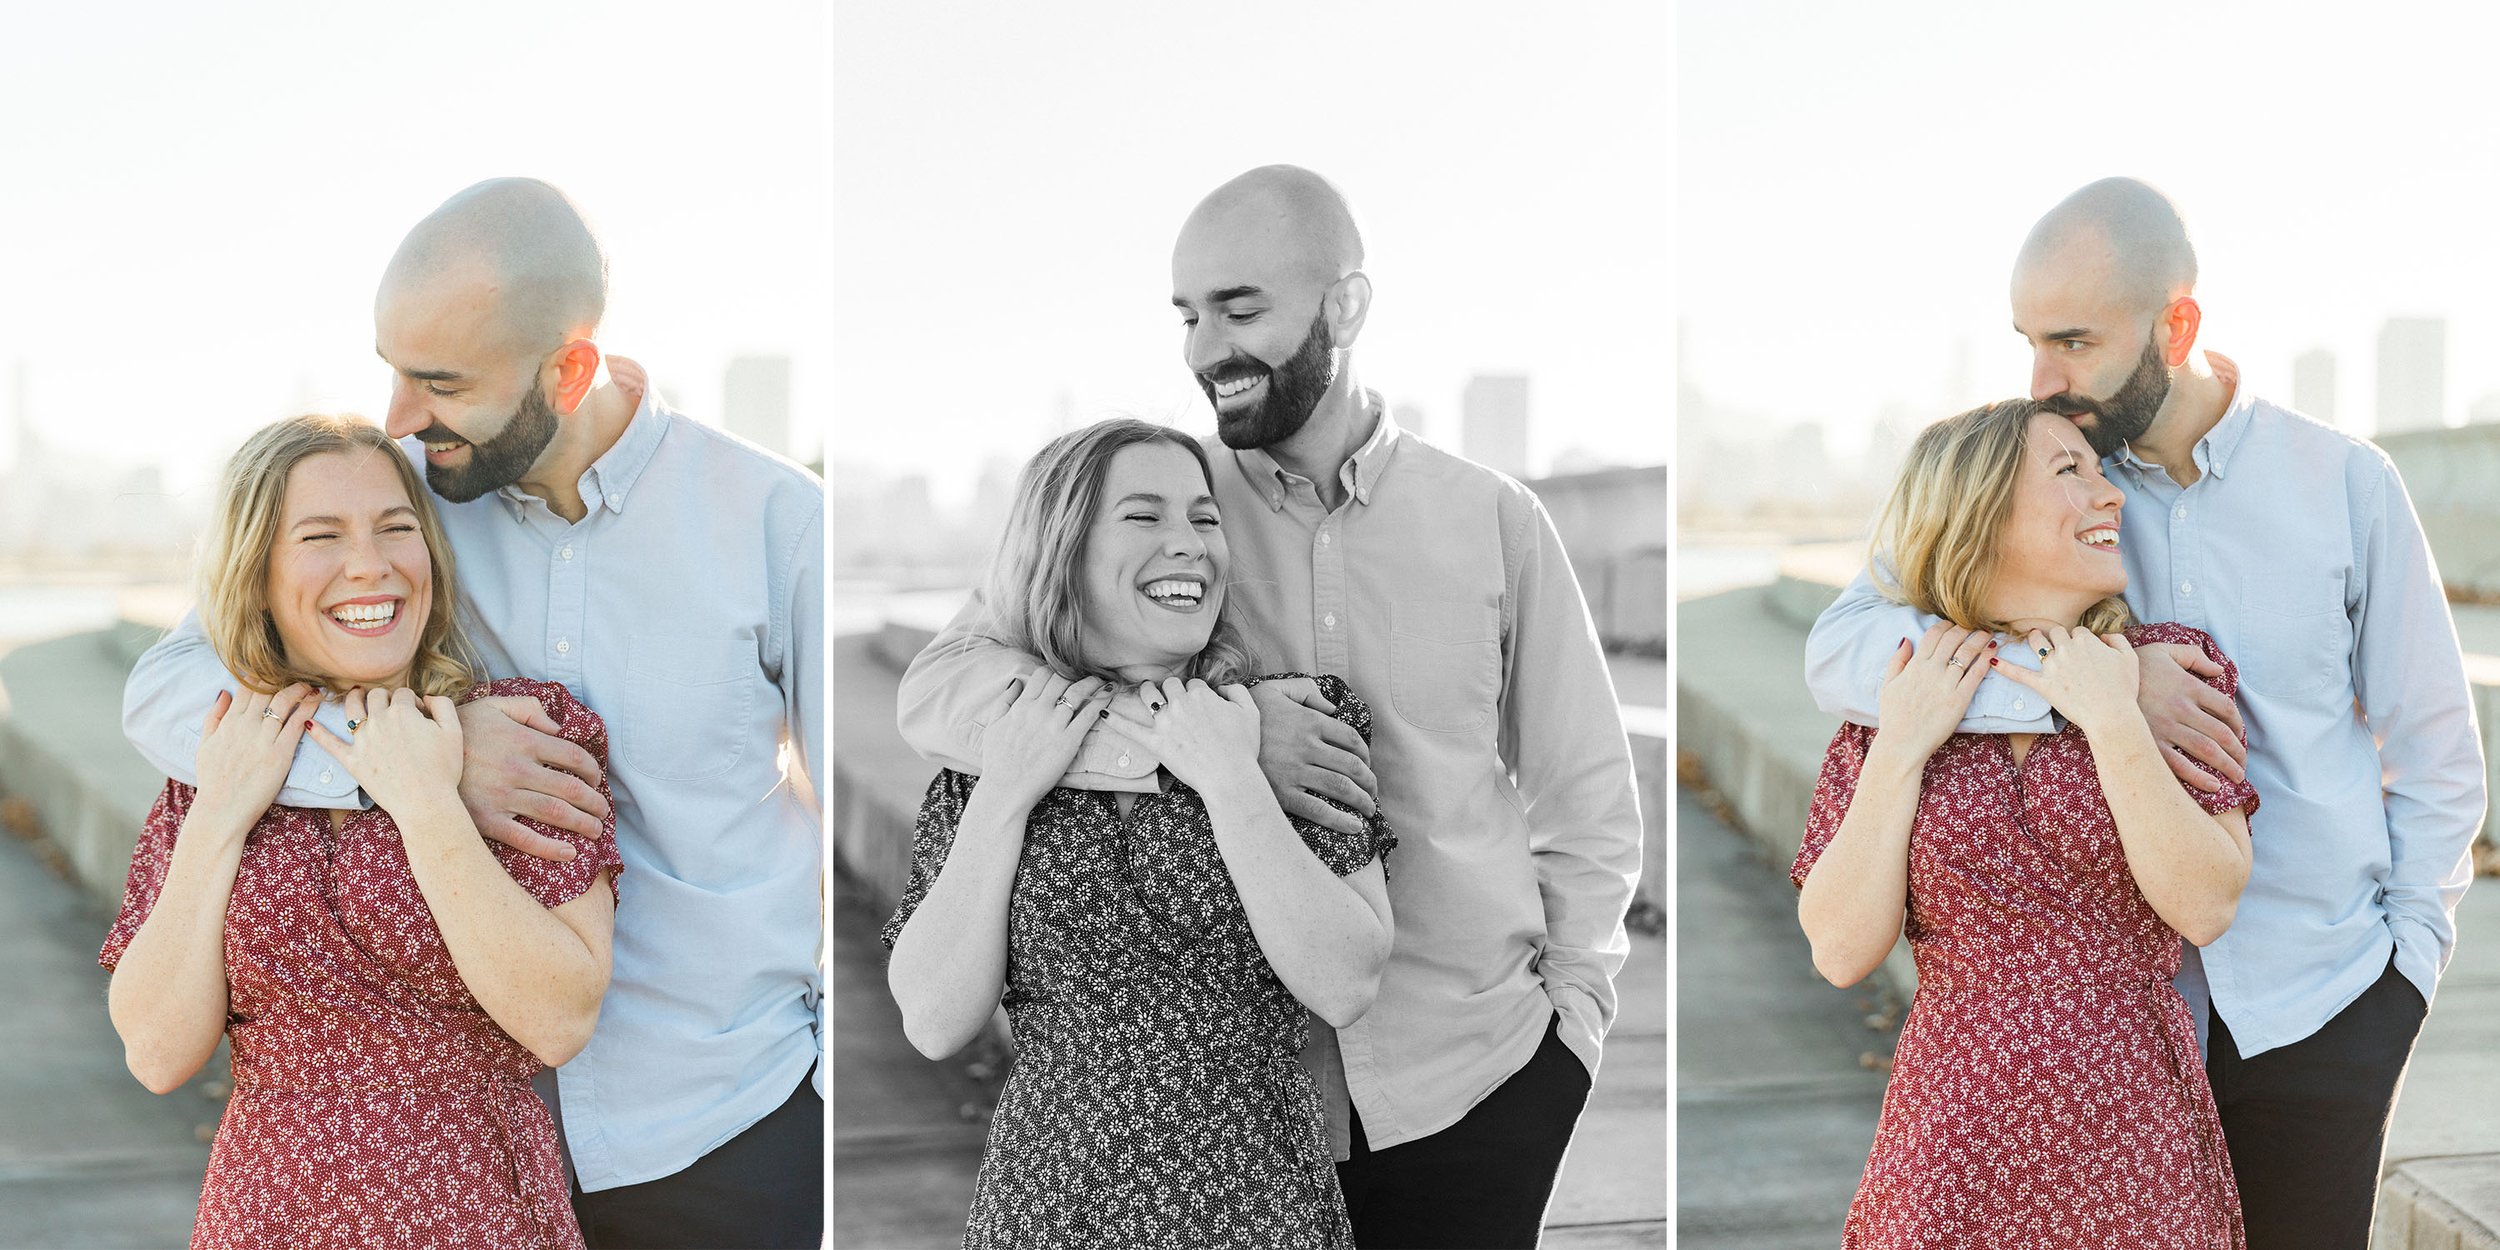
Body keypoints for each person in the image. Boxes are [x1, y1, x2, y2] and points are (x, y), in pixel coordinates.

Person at [897, 165, 1643, 1248]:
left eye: (1240, 308)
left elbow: (1587, 797)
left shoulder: (1493, 518)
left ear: (1344, 305)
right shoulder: (1156, 505)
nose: (1206, 348)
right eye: (1188, 314)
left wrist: (1567, 1037)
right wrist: (1191, 748)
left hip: (1471, 1083)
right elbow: (945, 684)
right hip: (1237, 1118)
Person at [122, 180, 826, 1249]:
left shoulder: (779, 523)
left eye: (439, 381)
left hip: (721, 1124)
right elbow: (169, 685)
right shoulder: (396, 495)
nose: (401, 415)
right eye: (392, 370)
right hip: (476, 1160)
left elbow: (872, 818)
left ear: (568, 369)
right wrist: (405, 761)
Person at [1805, 177, 2485, 1244]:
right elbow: (1844, 644)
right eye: (2028, 339)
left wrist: (2406, 966)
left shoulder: (2345, 483)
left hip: (2321, 1002)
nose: (2043, 378)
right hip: (2122, 1033)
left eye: (2072, 340)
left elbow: (2438, 748)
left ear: (2175, 324)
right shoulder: (2037, 483)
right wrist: (2070, 675)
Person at [103, 414, 619, 1249]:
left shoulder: (521, 737)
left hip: (474, 1211)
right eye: (320, 535)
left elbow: (559, 1020)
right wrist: (221, 815)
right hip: (266, 1218)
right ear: (258, 573)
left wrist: (427, 804)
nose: (369, 565)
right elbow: (157, 1054)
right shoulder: (223, 745)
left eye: (395, 528)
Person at [883, 418, 1395, 1248]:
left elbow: (1347, 981)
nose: (1189, 544)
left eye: (1203, 517)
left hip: (1257, 1206)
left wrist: (1232, 778)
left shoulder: (1296, 724)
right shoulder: (989, 748)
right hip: (1050, 1206)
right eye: (1144, 515)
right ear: (1064, 549)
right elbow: (936, 1020)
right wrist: (1007, 793)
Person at [1795, 398, 2255, 1246]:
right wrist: (1901, 747)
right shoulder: (1891, 694)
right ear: (1980, 513)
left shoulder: (2170, 674)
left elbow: (2207, 904)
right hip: (1949, 1146)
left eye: (2101, 468)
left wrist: (2115, 722)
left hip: (2133, 1141)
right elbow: (1839, 950)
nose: (2109, 494)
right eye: (2069, 471)